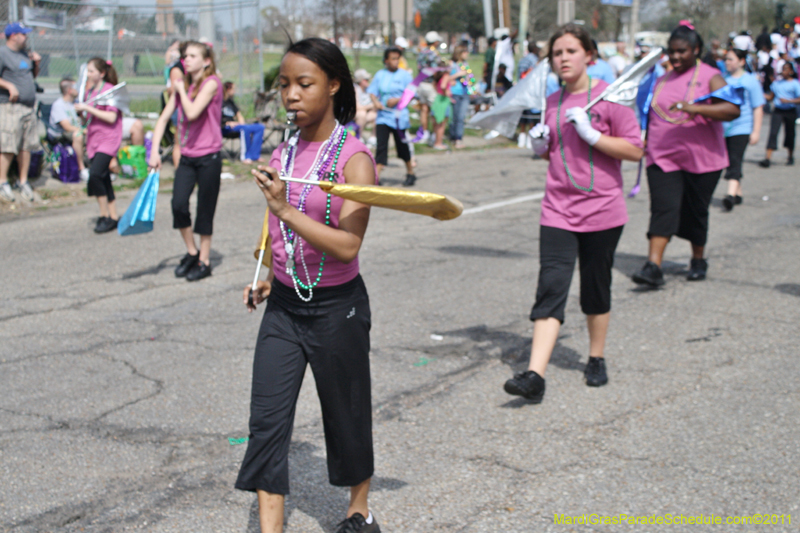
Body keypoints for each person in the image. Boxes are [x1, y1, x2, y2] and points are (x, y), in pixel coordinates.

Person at [236, 37, 381, 533]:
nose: (291, 95)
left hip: (337, 307)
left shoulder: (355, 160)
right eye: (284, 86)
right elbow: (274, 223)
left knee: (346, 416)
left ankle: (359, 509)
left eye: (304, 84)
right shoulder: (286, 148)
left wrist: (284, 208)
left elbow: (346, 246)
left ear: (334, 85)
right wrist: (267, 272)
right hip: (282, 306)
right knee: (267, 423)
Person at [503, 23, 643, 403]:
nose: (562, 59)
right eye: (556, 53)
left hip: (602, 209)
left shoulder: (610, 98)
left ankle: (596, 357)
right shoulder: (551, 101)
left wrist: (594, 135)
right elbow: (552, 151)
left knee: (595, 289)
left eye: (570, 51)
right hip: (558, 210)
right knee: (551, 286)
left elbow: (635, 149)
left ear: (589, 57)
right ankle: (535, 375)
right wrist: (539, 145)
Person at [632, 23, 739, 287]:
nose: (676, 57)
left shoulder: (711, 76)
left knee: (695, 211)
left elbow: (732, 109)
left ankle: (698, 259)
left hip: (702, 159)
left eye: (682, 51)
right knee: (663, 209)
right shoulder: (661, 79)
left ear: (696, 50)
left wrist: (696, 109)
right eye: (672, 52)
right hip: (662, 157)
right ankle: (653, 266)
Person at [148, 41, 223, 282]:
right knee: (178, 204)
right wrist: (154, 152)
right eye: (184, 56)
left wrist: (179, 90)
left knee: (204, 209)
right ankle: (192, 252)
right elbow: (162, 120)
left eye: (192, 56)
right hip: (188, 157)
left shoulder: (212, 83)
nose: (186, 60)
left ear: (206, 61)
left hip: (209, 156)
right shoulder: (184, 87)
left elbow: (192, 112)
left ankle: (204, 260)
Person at [73, 58, 123, 233]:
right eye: (87, 71)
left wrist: (88, 108)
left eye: (92, 71)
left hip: (108, 139)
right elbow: (88, 119)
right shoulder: (88, 92)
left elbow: (111, 117)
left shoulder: (109, 91)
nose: (89, 74)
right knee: (103, 178)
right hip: (94, 139)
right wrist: (81, 113)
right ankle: (113, 215)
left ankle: (104, 215)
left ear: (101, 73)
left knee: (94, 175)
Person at [0, 22, 40, 203]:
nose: (26, 37)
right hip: (10, 107)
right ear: (13, 36)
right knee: (8, 145)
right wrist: (9, 86)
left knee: (26, 146)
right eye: (23, 34)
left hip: (28, 107)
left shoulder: (25, 54)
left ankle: (23, 181)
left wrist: (36, 63)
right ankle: (2, 182)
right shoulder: (3, 53)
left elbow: (31, 77)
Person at [722, 48, 765, 210]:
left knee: (735, 159)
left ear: (741, 61)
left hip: (742, 127)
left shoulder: (750, 81)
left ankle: (730, 195)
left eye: (731, 59)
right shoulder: (723, 79)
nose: (727, 62)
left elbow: (758, 107)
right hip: (724, 128)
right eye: (726, 59)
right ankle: (738, 192)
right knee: (729, 160)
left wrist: (756, 131)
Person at [368, 46, 416, 186]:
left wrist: (397, 100)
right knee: (381, 145)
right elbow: (372, 91)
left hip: (398, 117)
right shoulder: (380, 75)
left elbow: (412, 94)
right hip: (383, 116)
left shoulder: (405, 75)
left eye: (397, 58)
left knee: (402, 147)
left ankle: (410, 172)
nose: (396, 61)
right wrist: (375, 102)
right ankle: (376, 177)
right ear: (386, 60)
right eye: (393, 58)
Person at [759, 61, 800, 168]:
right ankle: (767, 158)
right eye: (783, 69)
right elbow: (771, 97)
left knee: (790, 134)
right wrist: (760, 93)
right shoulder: (777, 84)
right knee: (773, 133)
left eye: (786, 69)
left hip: (790, 111)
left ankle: (790, 156)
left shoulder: (795, 84)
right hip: (778, 110)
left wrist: (789, 101)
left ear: (791, 71)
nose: (784, 71)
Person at [47, 77, 88, 180]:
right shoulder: (59, 105)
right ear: (69, 90)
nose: (78, 90)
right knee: (77, 136)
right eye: (76, 87)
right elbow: (67, 127)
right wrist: (83, 131)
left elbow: (83, 121)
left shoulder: (76, 103)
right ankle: (81, 168)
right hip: (61, 134)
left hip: (76, 130)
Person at [222, 81, 266, 163]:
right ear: (228, 89)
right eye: (233, 89)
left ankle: (255, 155)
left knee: (260, 127)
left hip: (236, 126)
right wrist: (227, 123)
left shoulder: (230, 102)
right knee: (244, 129)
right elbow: (216, 118)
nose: (235, 91)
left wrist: (242, 123)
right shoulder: (219, 102)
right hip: (225, 127)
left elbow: (239, 115)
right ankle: (245, 157)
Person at [415, 31, 443, 144]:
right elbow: (435, 71)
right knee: (435, 111)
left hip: (421, 83)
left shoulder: (421, 52)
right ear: (435, 42)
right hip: (430, 84)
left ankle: (425, 133)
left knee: (424, 109)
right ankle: (435, 135)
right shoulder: (434, 53)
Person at [449, 45, 475, 149]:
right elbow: (446, 78)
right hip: (454, 93)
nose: (467, 54)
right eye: (465, 52)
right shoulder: (452, 64)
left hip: (464, 93)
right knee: (454, 117)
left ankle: (458, 138)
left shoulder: (465, 65)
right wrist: (458, 74)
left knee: (461, 117)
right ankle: (453, 136)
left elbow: (470, 78)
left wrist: (471, 83)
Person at [430, 66, 451, 150]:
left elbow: (434, 85)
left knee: (436, 123)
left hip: (437, 100)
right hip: (443, 100)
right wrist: (447, 93)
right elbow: (443, 86)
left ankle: (435, 141)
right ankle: (438, 143)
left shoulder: (438, 76)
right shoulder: (446, 76)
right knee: (441, 124)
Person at [353, 68, 377, 143]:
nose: (368, 81)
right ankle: (359, 137)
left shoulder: (368, 89)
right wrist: (371, 106)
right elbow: (357, 107)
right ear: (360, 81)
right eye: (366, 79)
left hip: (366, 112)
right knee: (362, 114)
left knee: (379, 115)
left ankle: (373, 138)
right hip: (356, 113)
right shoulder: (355, 89)